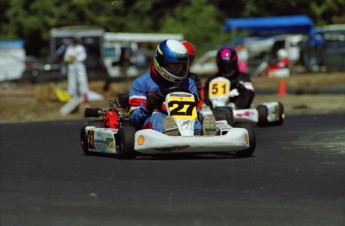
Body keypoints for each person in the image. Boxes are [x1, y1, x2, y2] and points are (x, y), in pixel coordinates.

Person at [128, 39, 216, 136]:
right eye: (174, 65)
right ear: (161, 62)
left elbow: (196, 109)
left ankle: (199, 131)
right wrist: (149, 105)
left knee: (196, 116)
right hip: (153, 125)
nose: (179, 69)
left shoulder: (189, 83)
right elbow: (134, 118)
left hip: (185, 120)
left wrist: (201, 114)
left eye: (181, 65)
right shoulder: (142, 83)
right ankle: (169, 132)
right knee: (157, 116)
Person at [63, 37, 89, 106]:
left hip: (79, 67)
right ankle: (72, 97)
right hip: (72, 67)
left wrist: (75, 58)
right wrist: (69, 59)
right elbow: (65, 58)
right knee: (72, 82)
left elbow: (83, 56)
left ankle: (85, 97)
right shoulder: (69, 48)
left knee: (82, 80)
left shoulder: (80, 48)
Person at [181, 40, 204, 109]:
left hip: (190, 112)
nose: (186, 63)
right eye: (183, 60)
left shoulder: (193, 79)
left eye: (188, 59)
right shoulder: (166, 77)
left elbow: (200, 101)